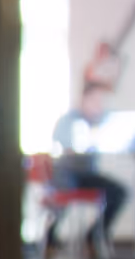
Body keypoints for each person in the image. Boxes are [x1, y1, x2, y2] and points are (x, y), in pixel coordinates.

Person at [49, 83, 128, 249]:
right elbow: (64, 145)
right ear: (84, 99)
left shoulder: (101, 121)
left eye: (100, 101)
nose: (98, 104)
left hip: (88, 174)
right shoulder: (68, 120)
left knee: (119, 192)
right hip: (67, 173)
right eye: (95, 100)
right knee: (63, 192)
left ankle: (94, 236)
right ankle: (50, 237)